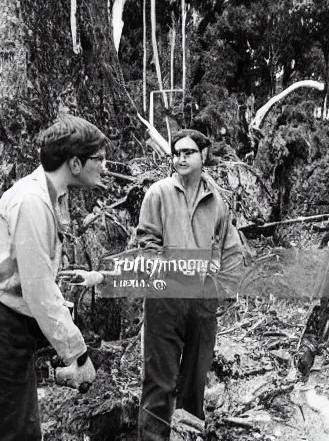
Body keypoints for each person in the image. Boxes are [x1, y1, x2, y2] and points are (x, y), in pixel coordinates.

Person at [0, 114, 111, 441]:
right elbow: (37, 290)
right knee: (11, 434)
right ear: (75, 163)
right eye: (99, 159)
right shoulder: (31, 201)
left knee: (24, 429)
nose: (104, 166)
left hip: (13, 326)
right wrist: (78, 354)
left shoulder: (51, 197)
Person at [134, 129, 243, 441]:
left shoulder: (217, 200)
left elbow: (229, 246)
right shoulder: (158, 193)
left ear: (203, 155)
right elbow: (147, 240)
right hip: (165, 298)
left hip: (203, 299)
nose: (180, 158)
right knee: (159, 381)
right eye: (177, 152)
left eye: (188, 152)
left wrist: (225, 288)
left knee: (195, 379)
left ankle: (188, 436)